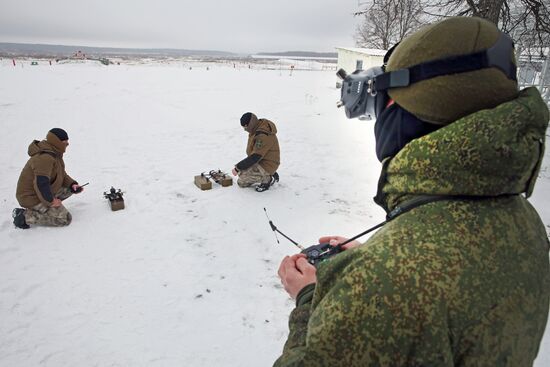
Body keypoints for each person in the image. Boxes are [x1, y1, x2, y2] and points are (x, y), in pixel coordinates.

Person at [275, 17, 549, 366]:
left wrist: (312, 299)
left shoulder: (384, 288)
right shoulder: (524, 221)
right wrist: (389, 254)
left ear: (403, 109)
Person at [12, 128, 85, 229]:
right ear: (57, 142)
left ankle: (47, 207)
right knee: (64, 219)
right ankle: (23, 216)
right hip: (31, 197)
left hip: (41, 192)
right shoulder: (44, 158)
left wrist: (72, 184)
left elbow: (61, 174)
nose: (67, 144)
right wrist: (51, 201)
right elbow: (40, 183)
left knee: (69, 189)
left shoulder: (55, 154)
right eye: (65, 142)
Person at [232, 112, 280, 192]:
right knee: (241, 173)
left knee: (241, 182)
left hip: (266, 164)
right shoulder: (256, 128)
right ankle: (269, 173)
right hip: (261, 161)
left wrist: (238, 168)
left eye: (245, 127)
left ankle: (268, 178)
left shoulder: (262, 136)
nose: (245, 129)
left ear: (250, 124)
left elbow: (255, 156)